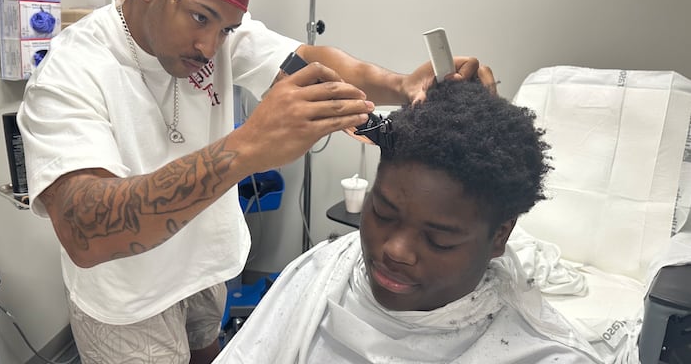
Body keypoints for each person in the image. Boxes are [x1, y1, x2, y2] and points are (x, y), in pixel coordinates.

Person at [16, 0, 496, 362]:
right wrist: (246, 149)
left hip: (203, 267)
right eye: (200, 18)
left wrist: (399, 86)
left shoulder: (219, 35)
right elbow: (84, 231)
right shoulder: (70, 72)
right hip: (129, 299)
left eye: (225, 28)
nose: (210, 46)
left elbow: (309, 59)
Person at [214, 81, 603, 363]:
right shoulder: (320, 273)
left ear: (500, 235)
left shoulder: (541, 354)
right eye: (383, 214)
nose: (395, 251)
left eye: (439, 240)